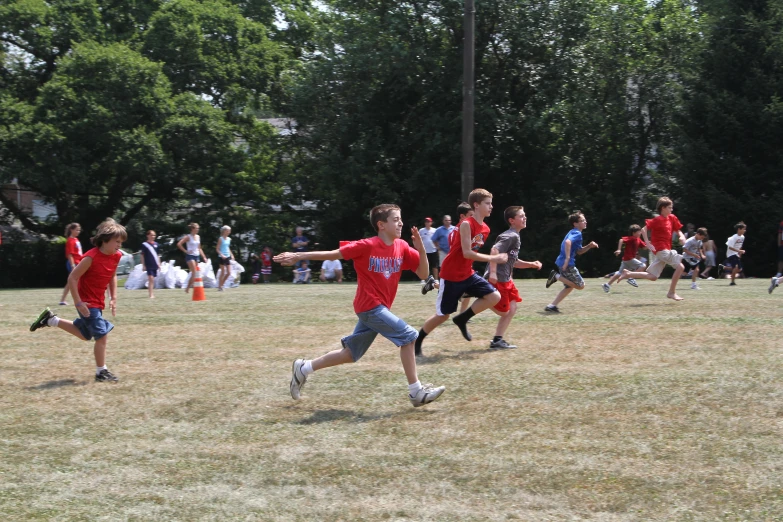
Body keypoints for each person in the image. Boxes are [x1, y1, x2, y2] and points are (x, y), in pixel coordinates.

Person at [274, 203, 445, 407]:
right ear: (381, 225)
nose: (401, 223)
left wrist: (421, 250)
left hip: (379, 308)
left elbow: (424, 273)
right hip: (369, 306)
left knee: (351, 354)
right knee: (408, 336)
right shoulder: (366, 245)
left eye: (400, 219)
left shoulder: (402, 247)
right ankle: (416, 392)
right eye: (396, 219)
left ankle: (304, 368)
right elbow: (333, 254)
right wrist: (299, 255)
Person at [30, 218, 128, 382]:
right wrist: (78, 302)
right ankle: (101, 372)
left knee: (84, 334)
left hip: (97, 301)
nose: (120, 245)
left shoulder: (116, 256)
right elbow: (72, 278)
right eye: (117, 241)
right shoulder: (90, 258)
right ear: (104, 240)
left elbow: (112, 276)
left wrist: (113, 297)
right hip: (87, 302)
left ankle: (51, 320)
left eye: (121, 242)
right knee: (101, 336)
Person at [414, 189, 507, 357]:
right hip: (450, 275)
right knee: (442, 316)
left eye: (491, 203)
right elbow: (467, 253)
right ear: (476, 205)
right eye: (488, 203)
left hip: (468, 274)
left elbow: (470, 255)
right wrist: (494, 259)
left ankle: (462, 318)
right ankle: (417, 342)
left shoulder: (485, 228)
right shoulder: (466, 224)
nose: (491, 206)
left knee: (494, 296)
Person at [484, 206, 542, 349]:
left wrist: (530, 264)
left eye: (524, 215)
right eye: (521, 216)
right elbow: (494, 250)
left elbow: (512, 261)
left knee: (512, 307)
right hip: (498, 278)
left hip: (506, 279)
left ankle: (497, 340)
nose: (525, 218)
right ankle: (474, 294)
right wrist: (492, 273)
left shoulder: (515, 235)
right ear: (512, 220)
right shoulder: (511, 236)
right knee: (503, 310)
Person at [617, 197, 687, 301]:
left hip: (665, 250)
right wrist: (647, 242)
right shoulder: (657, 220)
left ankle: (628, 273)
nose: (671, 210)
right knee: (680, 267)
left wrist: (682, 236)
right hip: (661, 250)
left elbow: (678, 230)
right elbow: (643, 229)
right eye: (669, 207)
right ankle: (671, 293)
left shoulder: (672, 218)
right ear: (663, 208)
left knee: (653, 276)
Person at [544, 211, 599, 312]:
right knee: (581, 285)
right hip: (567, 264)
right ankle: (555, 276)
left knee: (569, 286)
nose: (585, 222)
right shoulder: (577, 233)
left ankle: (551, 306)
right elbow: (568, 242)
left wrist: (589, 246)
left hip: (562, 262)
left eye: (584, 220)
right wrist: (567, 259)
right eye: (582, 220)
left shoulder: (574, 232)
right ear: (575, 223)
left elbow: (579, 251)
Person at [602, 225, 646, 292]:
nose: (640, 233)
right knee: (642, 266)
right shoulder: (632, 238)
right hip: (629, 258)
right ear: (634, 233)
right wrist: (619, 249)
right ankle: (631, 277)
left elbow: (644, 247)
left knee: (619, 273)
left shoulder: (638, 239)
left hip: (626, 259)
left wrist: (651, 244)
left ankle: (607, 285)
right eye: (639, 231)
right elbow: (621, 240)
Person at [177, 223, 208, 293]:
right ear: (192, 229)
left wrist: (204, 257)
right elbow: (179, 244)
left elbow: (199, 248)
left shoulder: (198, 237)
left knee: (195, 273)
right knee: (194, 272)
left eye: (198, 228)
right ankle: (187, 288)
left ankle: (191, 287)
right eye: (196, 228)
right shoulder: (188, 237)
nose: (198, 230)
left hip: (196, 255)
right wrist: (186, 251)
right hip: (190, 256)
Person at [59, 223, 83, 305]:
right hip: (73, 263)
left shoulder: (76, 240)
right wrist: (73, 265)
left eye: (79, 230)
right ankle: (64, 300)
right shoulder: (70, 240)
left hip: (78, 262)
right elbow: (70, 254)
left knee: (72, 282)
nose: (78, 231)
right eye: (76, 230)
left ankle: (63, 300)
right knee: (72, 282)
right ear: (71, 230)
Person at [140, 230, 161, 299]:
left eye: (154, 235)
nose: (153, 236)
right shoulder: (144, 245)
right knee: (150, 278)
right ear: (148, 235)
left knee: (153, 279)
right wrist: (143, 265)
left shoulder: (156, 244)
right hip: (148, 264)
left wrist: (159, 264)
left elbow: (158, 255)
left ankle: (152, 292)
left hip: (155, 264)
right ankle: (151, 294)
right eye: (151, 235)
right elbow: (142, 255)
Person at [419, 217, 439, 285]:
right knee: (424, 266)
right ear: (425, 223)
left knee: (435, 266)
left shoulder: (434, 230)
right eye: (426, 222)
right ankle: (423, 279)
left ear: (431, 223)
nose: (427, 223)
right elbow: (419, 240)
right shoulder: (421, 230)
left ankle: (436, 279)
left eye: (429, 222)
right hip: (424, 251)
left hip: (433, 250)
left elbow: (437, 240)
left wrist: (437, 248)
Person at [216, 225, 234, 291]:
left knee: (229, 272)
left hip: (227, 256)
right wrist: (222, 255)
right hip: (221, 257)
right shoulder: (220, 239)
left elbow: (228, 247)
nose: (229, 232)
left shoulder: (229, 239)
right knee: (223, 272)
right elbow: (217, 249)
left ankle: (221, 285)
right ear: (224, 231)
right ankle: (220, 286)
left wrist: (231, 255)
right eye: (228, 230)